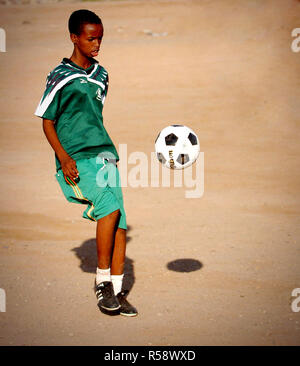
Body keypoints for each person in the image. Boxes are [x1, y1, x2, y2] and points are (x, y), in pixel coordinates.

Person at [35, 9, 137, 317]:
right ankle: (102, 282)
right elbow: (48, 121)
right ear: (74, 38)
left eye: (100, 38)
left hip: (105, 155)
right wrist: (63, 158)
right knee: (108, 206)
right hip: (76, 159)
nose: (97, 44)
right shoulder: (59, 75)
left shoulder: (102, 74)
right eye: (91, 38)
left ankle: (118, 294)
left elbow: (95, 117)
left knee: (119, 223)